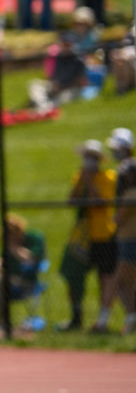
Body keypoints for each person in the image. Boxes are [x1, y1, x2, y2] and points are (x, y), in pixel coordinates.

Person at [57, 140, 117, 332]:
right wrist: (82, 179)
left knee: (104, 277)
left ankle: (102, 320)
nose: (89, 161)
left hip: (102, 235)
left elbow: (100, 203)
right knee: (72, 273)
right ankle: (76, 316)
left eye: (93, 157)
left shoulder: (108, 177)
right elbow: (72, 201)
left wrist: (90, 181)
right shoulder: (79, 176)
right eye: (87, 157)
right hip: (82, 237)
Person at [0, 213, 45, 340]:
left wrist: (14, 248)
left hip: (27, 282)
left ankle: (4, 322)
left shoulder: (33, 239)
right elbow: (1, 260)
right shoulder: (7, 244)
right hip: (8, 280)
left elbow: (31, 259)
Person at [106, 128, 136, 334]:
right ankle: (131, 317)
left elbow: (119, 217)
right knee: (125, 282)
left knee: (120, 279)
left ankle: (104, 318)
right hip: (125, 238)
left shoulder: (131, 193)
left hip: (130, 239)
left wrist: (114, 221)